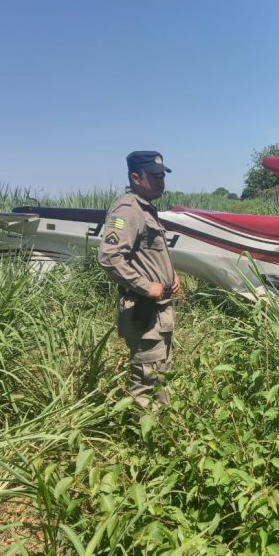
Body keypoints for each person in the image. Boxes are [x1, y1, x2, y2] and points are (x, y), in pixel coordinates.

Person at [98, 151, 180, 409]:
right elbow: (109, 257)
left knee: (160, 373)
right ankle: (146, 437)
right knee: (147, 379)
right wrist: (147, 286)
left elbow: (147, 251)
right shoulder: (128, 209)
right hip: (144, 309)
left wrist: (171, 274)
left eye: (162, 176)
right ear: (135, 177)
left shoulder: (146, 208)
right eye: (154, 176)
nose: (160, 181)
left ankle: (162, 432)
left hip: (159, 312)